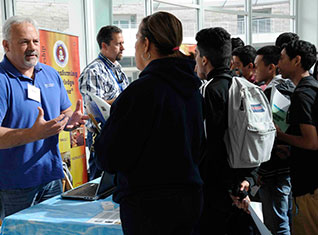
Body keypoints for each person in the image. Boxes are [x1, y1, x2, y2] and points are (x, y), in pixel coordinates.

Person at [94, 11, 204, 235]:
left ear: (146, 44)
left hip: (149, 208)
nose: (132, 46)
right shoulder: (192, 88)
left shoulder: (141, 92)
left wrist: (103, 131)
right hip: (188, 199)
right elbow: (199, 145)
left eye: (135, 39)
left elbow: (111, 157)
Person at [0, 16, 87, 220]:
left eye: (35, 41)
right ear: (6, 45)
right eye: (24, 42)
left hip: (50, 177)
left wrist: (70, 120)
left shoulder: (50, 75)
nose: (32, 47)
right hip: (13, 186)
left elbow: (64, 112)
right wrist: (32, 134)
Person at [195, 27, 258, 235]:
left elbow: (213, 145)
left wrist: (227, 188)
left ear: (204, 59)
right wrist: (247, 180)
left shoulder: (210, 90)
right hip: (243, 185)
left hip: (218, 191)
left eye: (196, 54)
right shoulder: (242, 86)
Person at [276, 39, 318, 235]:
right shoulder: (312, 88)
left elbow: (311, 142)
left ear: (297, 60)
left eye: (282, 58)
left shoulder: (302, 94)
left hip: (308, 186)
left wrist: (281, 135)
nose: (278, 63)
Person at [78, 25, 129, 181]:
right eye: (118, 44)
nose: (123, 48)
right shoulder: (93, 71)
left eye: (123, 43)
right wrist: (123, 101)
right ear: (104, 45)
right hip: (103, 139)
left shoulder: (117, 68)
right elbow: (93, 109)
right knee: (100, 187)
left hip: (120, 136)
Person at [255, 45, 295, 235]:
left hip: (274, 169)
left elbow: (272, 133)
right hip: (285, 167)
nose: (254, 71)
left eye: (257, 66)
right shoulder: (290, 88)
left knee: (276, 223)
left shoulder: (274, 94)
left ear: (271, 67)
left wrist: (261, 170)